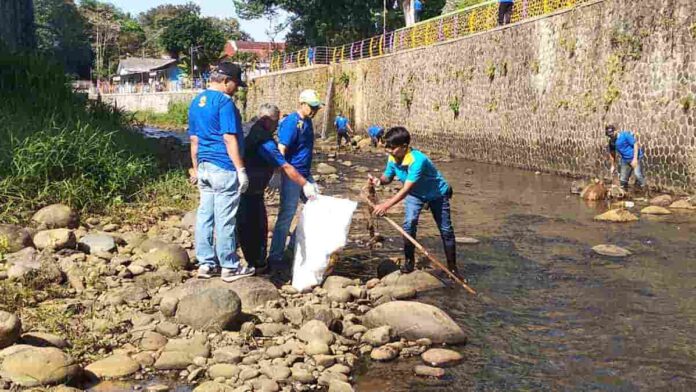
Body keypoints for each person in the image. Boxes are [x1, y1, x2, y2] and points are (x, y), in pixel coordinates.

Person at [188, 62, 254, 282]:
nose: (236, 89)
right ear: (226, 81)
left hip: (204, 167)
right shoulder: (225, 103)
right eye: (236, 84)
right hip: (224, 166)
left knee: (205, 216)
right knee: (225, 219)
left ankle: (206, 264)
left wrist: (196, 169)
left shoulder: (196, 102)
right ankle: (229, 267)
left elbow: (194, 140)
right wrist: (241, 170)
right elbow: (228, 137)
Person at [237, 103, 319, 273]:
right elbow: (285, 164)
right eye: (275, 124)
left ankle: (257, 261)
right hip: (249, 190)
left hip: (250, 189)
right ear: (268, 121)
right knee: (254, 227)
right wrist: (304, 184)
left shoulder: (251, 129)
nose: (277, 128)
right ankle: (260, 262)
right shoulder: (265, 140)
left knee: (248, 226)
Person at [368, 127, 458, 275]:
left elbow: (406, 189)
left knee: (446, 230)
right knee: (409, 224)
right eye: (387, 147)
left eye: (392, 148)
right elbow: (388, 177)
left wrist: (386, 205)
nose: (389, 151)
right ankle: (409, 262)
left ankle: (453, 268)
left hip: (437, 194)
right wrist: (379, 181)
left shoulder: (417, 160)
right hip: (416, 195)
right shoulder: (392, 157)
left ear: (404, 146)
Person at [268, 89, 323, 284]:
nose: (315, 110)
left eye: (317, 107)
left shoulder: (307, 122)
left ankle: (295, 248)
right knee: (287, 213)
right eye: (312, 106)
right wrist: (277, 172)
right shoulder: (292, 122)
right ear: (302, 103)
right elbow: (281, 149)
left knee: (316, 208)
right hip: (292, 174)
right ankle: (275, 256)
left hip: (305, 174)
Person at [605, 125, 646, 192]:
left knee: (638, 175)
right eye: (609, 136)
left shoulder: (625, 135)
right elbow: (612, 153)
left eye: (612, 134)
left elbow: (635, 144)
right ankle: (625, 194)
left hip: (636, 157)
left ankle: (646, 191)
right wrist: (612, 165)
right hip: (625, 160)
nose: (611, 137)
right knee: (623, 180)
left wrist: (635, 159)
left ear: (615, 131)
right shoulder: (611, 142)